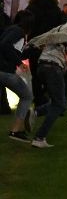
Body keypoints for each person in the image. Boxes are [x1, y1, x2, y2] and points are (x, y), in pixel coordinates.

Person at [28, 4, 67, 148]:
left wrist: (32, 42)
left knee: (57, 102)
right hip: (52, 67)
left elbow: (48, 34)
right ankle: (39, 138)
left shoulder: (63, 25)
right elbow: (53, 37)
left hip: (43, 65)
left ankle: (36, 111)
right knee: (60, 104)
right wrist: (37, 43)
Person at [4, 10, 35, 142]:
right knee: (27, 96)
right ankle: (15, 131)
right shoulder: (19, 32)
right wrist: (19, 63)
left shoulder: (11, 29)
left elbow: (11, 48)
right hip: (4, 71)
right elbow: (4, 45)